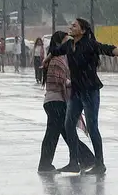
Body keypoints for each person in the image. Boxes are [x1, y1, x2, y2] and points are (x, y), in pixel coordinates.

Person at [47, 18, 118, 175]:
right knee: (69, 125)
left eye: (74, 25)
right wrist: (46, 58)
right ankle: (73, 162)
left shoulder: (90, 44)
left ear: (82, 30)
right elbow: (56, 51)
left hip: (90, 91)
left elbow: (109, 49)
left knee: (92, 128)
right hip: (76, 92)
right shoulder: (69, 45)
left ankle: (100, 164)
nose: (71, 27)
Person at [38, 31, 95, 173]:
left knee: (66, 132)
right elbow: (60, 82)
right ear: (59, 43)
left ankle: (84, 159)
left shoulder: (60, 58)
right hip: (56, 102)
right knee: (53, 135)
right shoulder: (56, 60)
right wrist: (75, 83)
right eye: (66, 40)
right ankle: (46, 165)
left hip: (55, 101)